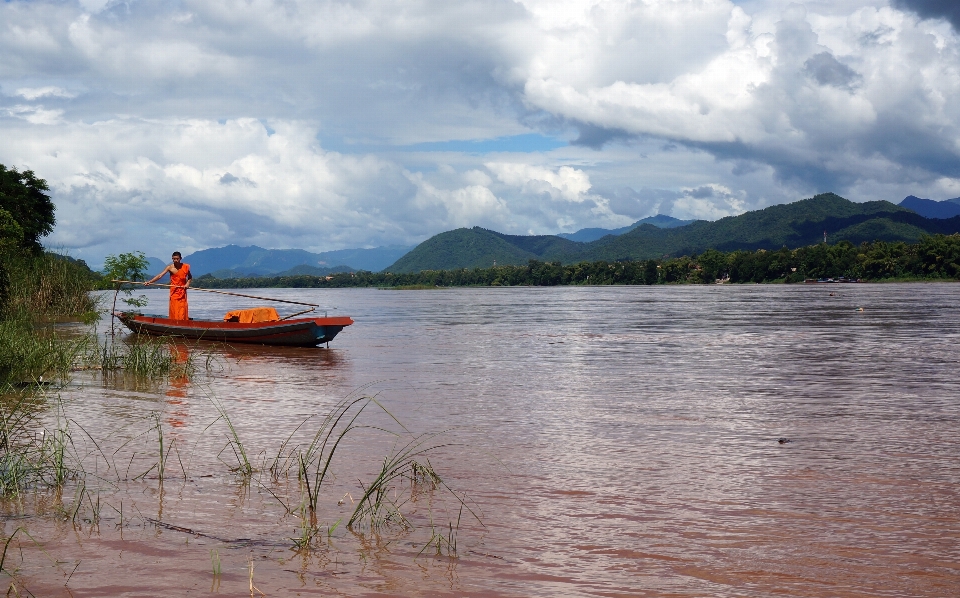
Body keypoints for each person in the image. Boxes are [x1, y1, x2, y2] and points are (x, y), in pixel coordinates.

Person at [146, 251, 193, 320]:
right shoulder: (170, 268)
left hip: (182, 291)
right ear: (172, 259)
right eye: (174, 259)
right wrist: (149, 282)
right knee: (175, 310)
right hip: (174, 292)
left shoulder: (185, 266)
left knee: (182, 310)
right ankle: (174, 324)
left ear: (180, 258)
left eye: (177, 259)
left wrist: (187, 283)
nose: (176, 260)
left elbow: (190, 277)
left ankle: (182, 323)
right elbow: (160, 275)